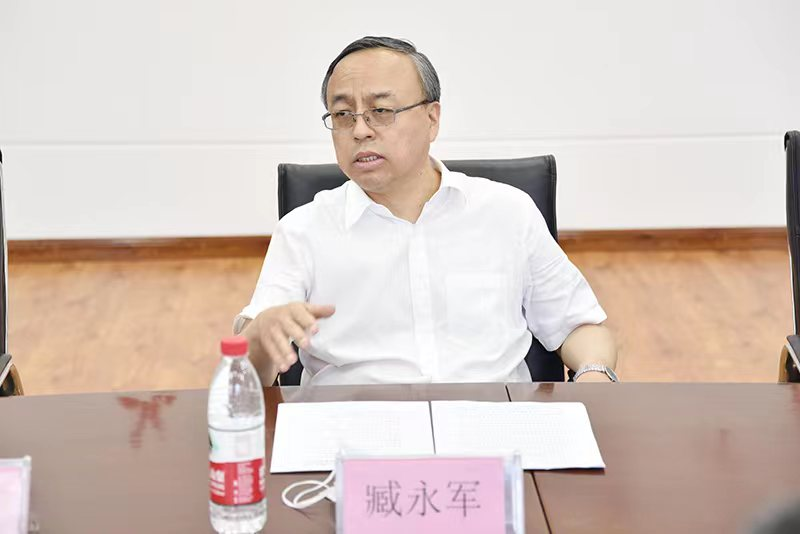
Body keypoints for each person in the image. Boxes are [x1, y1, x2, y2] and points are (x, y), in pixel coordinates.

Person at [235, 36, 617, 386]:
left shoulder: (507, 212)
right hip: (354, 425)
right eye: (343, 115)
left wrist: (594, 374)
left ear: (432, 119)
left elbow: (579, 326)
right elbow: (252, 369)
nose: (360, 130)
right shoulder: (303, 230)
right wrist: (260, 339)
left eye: (381, 110)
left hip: (493, 421)